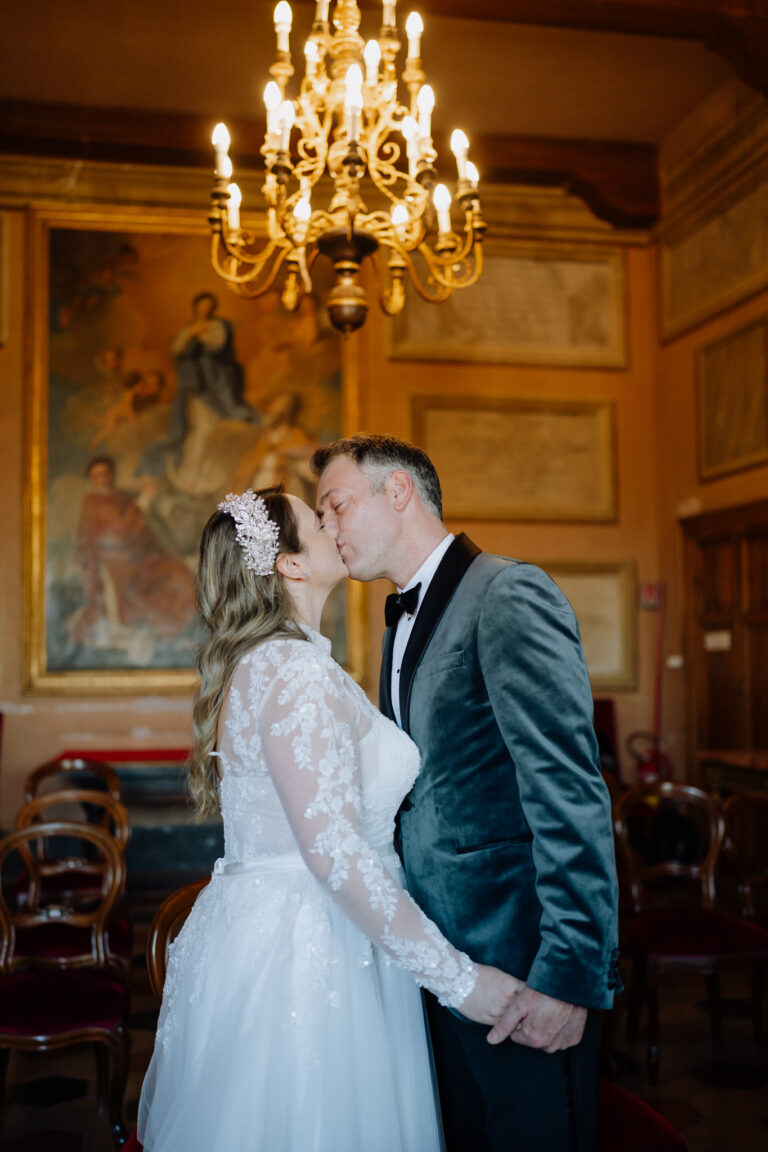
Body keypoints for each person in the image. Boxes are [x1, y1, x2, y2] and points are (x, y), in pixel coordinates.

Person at [137, 487, 523, 1152]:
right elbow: (335, 854)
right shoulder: (292, 671)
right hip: (313, 949)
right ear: (288, 565)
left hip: (308, 932)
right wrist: (461, 981)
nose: (335, 525)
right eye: (321, 521)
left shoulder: (293, 663)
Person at [313, 435, 621, 1152]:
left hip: (522, 966)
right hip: (444, 968)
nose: (328, 528)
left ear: (398, 493)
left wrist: (569, 979)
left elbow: (569, 795)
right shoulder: (397, 625)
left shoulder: (508, 593)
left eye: (336, 506)